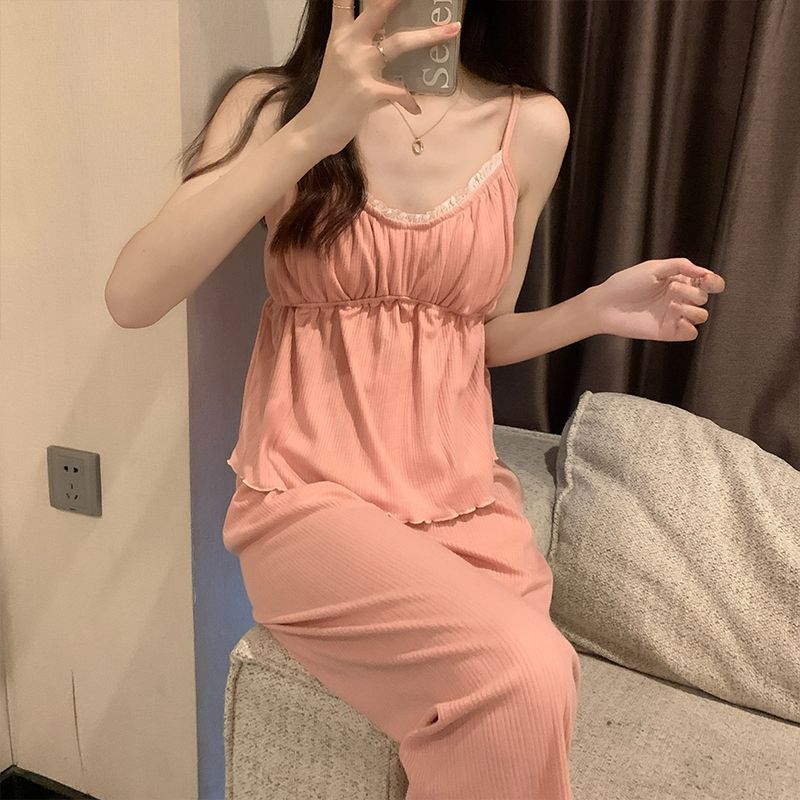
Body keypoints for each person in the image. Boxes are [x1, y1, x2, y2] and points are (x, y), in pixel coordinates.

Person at [105, 0, 721, 797]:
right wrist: (314, 130)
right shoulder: (274, 105)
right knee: (528, 669)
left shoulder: (532, 126)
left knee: (522, 698)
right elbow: (133, 296)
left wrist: (594, 309)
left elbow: (474, 336)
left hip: (464, 504)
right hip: (307, 500)